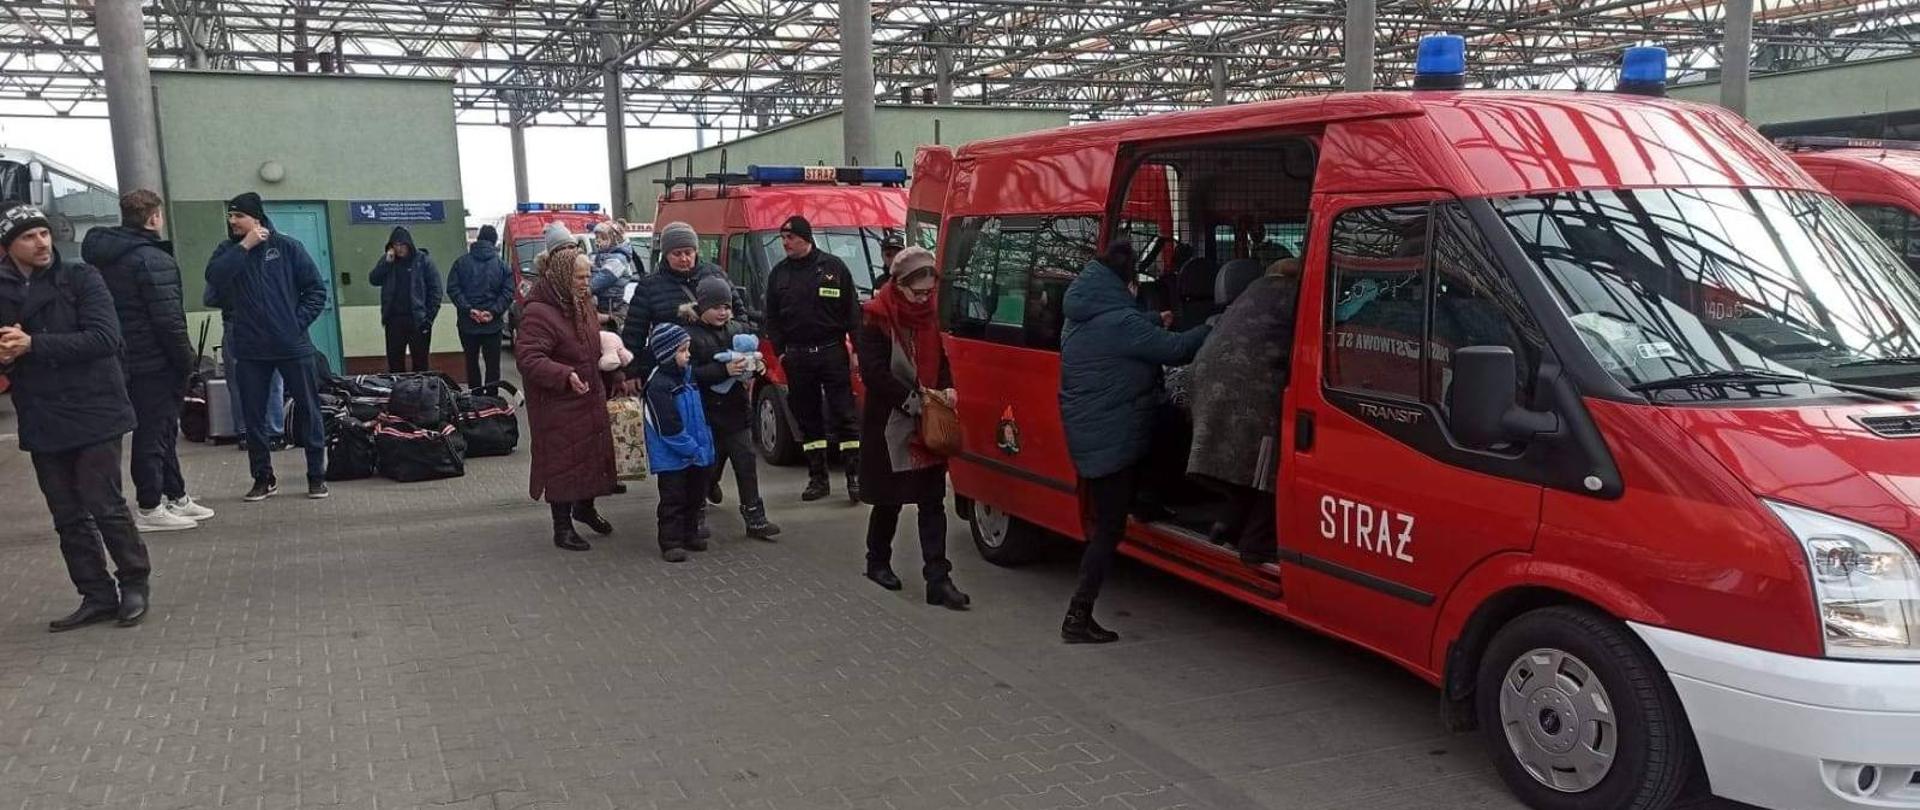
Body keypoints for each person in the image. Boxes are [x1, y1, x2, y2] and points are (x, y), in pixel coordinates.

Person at [0, 202, 153, 631]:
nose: (41, 242)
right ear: (9, 246)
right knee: (66, 513)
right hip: (42, 413)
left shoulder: (81, 277)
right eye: (28, 237)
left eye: (44, 233)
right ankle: (95, 594)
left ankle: (135, 582)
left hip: (95, 407)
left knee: (102, 500)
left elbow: (104, 338)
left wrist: (32, 346)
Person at [1057, 240, 1211, 643]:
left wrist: (1150, 320)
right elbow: (1176, 350)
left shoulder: (1082, 314)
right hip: (1112, 436)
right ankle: (1078, 615)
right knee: (1109, 529)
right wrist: (1212, 327)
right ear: (1122, 284)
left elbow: (1122, 331)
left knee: (1158, 434)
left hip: (1091, 430)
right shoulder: (1122, 324)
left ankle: (1146, 501)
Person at [81, 189, 217, 532]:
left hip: (122, 356)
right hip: (154, 360)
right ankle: (150, 505)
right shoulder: (152, 259)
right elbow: (168, 320)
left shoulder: (103, 256)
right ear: (154, 218)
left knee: (163, 430)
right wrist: (187, 361)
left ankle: (176, 495)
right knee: (154, 433)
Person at [856, 247, 969, 610]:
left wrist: (947, 387)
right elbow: (874, 373)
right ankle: (877, 561)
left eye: (928, 292)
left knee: (932, 501)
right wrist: (912, 400)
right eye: (916, 292)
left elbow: (942, 358)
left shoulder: (930, 317)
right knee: (888, 500)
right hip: (890, 423)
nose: (923, 299)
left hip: (927, 423)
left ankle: (938, 579)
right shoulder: (875, 318)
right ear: (899, 284)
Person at [204, 191, 331, 502]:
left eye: (238, 216)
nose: (232, 221)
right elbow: (214, 278)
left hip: (292, 344)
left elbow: (315, 290)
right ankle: (263, 478)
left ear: (255, 218)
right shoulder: (228, 250)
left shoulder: (287, 247)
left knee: (309, 410)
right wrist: (245, 246)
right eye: (230, 216)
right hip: (249, 347)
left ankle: (316, 476)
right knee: (254, 416)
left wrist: (294, 323)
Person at [1186, 258, 1302, 566]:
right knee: (1272, 462)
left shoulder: (1253, 291)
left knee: (1247, 458)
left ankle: (1227, 522)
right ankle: (1256, 544)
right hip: (1248, 387)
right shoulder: (1294, 297)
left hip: (1208, 376)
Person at [515, 242, 619, 552]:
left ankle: (585, 508)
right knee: (562, 462)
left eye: (588, 276)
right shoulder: (538, 312)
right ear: (561, 276)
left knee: (591, 455)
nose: (586, 283)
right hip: (557, 402)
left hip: (588, 393)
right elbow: (529, 358)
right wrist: (563, 375)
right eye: (580, 278)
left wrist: (616, 371)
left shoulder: (582, 302)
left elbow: (593, 343)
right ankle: (562, 528)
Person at [764, 215, 862, 502]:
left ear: (806, 238)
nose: (785, 243)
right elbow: (772, 317)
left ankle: (854, 477)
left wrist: (856, 349)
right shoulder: (779, 274)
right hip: (798, 356)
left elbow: (852, 313)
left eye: (790, 238)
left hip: (831, 351)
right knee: (808, 419)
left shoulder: (833, 268)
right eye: (782, 238)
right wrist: (782, 351)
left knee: (845, 415)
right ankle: (817, 479)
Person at [684, 276, 781, 540]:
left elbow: (752, 357)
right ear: (702, 306)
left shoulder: (738, 330)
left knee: (746, 463)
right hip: (706, 414)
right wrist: (722, 370)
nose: (722, 312)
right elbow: (690, 374)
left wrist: (757, 368)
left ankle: (755, 516)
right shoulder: (691, 335)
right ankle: (697, 514)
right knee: (705, 465)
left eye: (726, 306)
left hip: (737, 412)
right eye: (716, 307)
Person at [620, 222, 736, 383]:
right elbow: (635, 331)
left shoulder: (716, 275)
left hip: (719, 365)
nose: (684, 258)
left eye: (688, 252)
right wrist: (632, 372)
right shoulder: (650, 286)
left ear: (696, 251)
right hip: (673, 371)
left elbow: (738, 313)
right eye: (677, 253)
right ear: (666, 255)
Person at [644, 322, 716, 563]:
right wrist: (692, 448)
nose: (688, 354)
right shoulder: (658, 386)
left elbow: (700, 412)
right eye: (683, 350)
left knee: (695, 496)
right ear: (667, 354)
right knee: (673, 500)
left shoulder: (689, 376)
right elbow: (667, 426)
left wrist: (704, 444)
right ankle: (670, 541)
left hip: (695, 452)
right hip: (673, 457)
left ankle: (690, 533)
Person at [447, 224, 514, 387]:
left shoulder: (460, 263)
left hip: (467, 324)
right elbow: (508, 292)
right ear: (494, 241)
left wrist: (469, 310)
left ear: (478, 240)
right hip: (493, 325)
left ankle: (474, 398)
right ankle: (491, 402)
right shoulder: (502, 266)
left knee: (471, 363)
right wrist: (493, 312)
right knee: (493, 366)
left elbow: (453, 289)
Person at [369, 226, 442, 373]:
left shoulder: (423, 261)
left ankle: (421, 394)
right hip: (394, 321)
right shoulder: (389, 262)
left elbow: (436, 291)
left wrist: (429, 319)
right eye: (396, 245)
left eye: (402, 245)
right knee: (395, 365)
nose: (399, 249)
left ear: (409, 244)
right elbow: (374, 279)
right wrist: (386, 261)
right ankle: (400, 393)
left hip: (418, 320)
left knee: (420, 365)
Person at [590, 221, 640, 314]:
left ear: (614, 238)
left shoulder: (618, 259)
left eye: (603, 238)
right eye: (597, 237)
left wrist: (585, 291)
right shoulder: (599, 255)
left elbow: (601, 280)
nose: (598, 241)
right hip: (600, 304)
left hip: (609, 308)